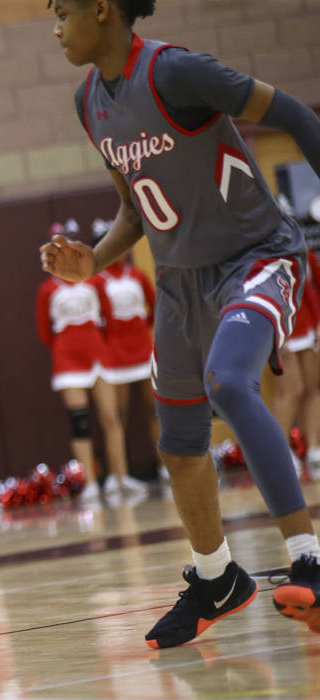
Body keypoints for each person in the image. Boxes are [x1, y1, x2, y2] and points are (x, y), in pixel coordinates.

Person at [42, 0, 320, 648]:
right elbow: (135, 211)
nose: (56, 28)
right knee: (180, 444)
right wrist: (93, 263)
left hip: (254, 258)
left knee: (229, 382)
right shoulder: (89, 102)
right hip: (177, 283)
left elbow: (296, 115)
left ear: (102, 11)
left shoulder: (176, 72)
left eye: (62, 12)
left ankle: (308, 554)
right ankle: (217, 578)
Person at [35, 222, 131, 502]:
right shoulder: (46, 290)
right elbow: (44, 332)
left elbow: (110, 319)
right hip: (67, 361)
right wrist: (67, 347)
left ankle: (120, 479)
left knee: (112, 418)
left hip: (98, 356)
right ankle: (89, 483)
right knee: (81, 422)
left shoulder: (97, 280)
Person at [91, 219, 159, 490]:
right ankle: (119, 476)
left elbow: (155, 307)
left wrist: (142, 330)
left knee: (155, 409)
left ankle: (166, 466)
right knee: (117, 417)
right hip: (115, 356)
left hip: (143, 350)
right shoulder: (97, 280)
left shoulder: (137, 275)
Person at [271, 248, 320, 478]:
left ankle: (313, 449)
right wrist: (275, 336)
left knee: (312, 389)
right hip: (283, 330)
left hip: (308, 326)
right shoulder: (263, 255)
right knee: (290, 391)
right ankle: (281, 453)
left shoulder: (304, 252)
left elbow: (312, 289)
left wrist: (318, 325)